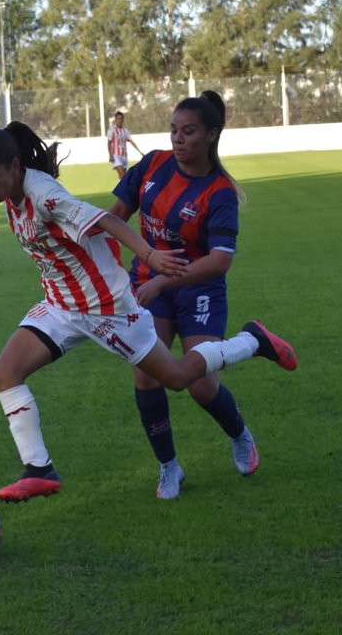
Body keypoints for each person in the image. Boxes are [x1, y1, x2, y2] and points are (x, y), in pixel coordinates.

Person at [0, 121, 298, 503]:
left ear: (14, 166)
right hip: (61, 305)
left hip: (106, 308)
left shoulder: (43, 194)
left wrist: (150, 255)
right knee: (5, 373)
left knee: (177, 377)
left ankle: (251, 340)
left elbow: (106, 220)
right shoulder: (8, 185)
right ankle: (39, 470)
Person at [108, 90, 263, 500]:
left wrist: (164, 279)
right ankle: (169, 466)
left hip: (198, 289)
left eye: (189, 131)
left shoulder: (220, 192)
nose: (178, 139)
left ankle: (240, 434)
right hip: (146, 284)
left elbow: (219, 261)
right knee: (145, 373)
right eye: (174, 130)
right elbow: (114, 219)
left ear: (211, 135)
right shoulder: (153, 164)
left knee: (200, 385)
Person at [106, 111, 143, 178]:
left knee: (122, 177)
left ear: (123, 119)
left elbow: (131, 141)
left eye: (121, 119)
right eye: (118, 119)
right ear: (115, 119)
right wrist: (110, 155)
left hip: (124, 156)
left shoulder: (125, 131)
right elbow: (109, 143)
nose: (119, 120)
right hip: (115, 156)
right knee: (123, 176)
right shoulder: (112, 130)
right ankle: (123, 188)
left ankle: (119, 188)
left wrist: (139, 151)